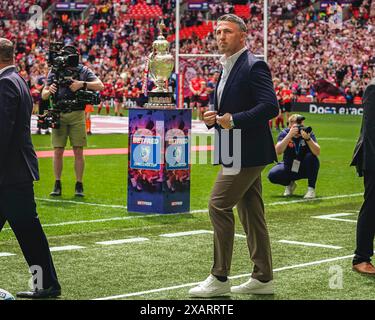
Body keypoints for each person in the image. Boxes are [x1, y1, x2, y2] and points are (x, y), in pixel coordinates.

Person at [189, 14, 279, 298]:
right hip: (234, 147)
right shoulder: (225, 67)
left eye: (227, 31)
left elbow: (270, 107)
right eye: (217, 32)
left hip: (246, 150)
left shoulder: (254, 65)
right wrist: (212, 117)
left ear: (242, 35)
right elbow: (226, 108)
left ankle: (220, 276)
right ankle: (263, 278)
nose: (220, 36)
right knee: (252, 214)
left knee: (217, 205)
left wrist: (234, 119)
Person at [0, 38, 61, 298]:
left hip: (10, 174)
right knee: (30, 233)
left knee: (29, 233)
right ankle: (46, 284)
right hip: (14, 172)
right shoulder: (17, 79)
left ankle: (47, 284)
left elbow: (2, 131)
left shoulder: (5, 83)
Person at [42, 45, 104, 197]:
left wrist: (81, 84)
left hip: (77, 113)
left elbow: (100, 85)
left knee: (78, 150)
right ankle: (57, 183)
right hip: (59, 113)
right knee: (58, 150)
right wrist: (49, 91)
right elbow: (43, 94)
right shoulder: (55, 70)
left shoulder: (83, 70)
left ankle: (79, 183)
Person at [350, 77, 375, 275]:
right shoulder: (373, 88)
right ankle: (361, 258)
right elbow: (371, 131)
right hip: (373, 158)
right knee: (372, 206)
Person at [268, 114, 320, 199]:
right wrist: (289, 136)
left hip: (304, 167)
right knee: (273, 175)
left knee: (312, 157)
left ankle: (311, 189)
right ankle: (290, 184)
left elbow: (317, 152)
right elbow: (278, 151)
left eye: (301, 124)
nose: (300, 127)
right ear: (290, 125)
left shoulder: (307, 133)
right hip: (289, 166)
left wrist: (308, 139)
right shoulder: (285, 133)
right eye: (297, 124)